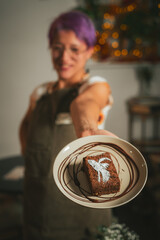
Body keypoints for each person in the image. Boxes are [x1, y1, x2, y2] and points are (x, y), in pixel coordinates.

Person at [19, 10, 116, 240]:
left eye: (74, 49)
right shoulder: (40, 93)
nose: (64, 57)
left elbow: (85, 104)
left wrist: (88, 131)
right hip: (39, 205)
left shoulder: (96, 85)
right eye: (57, 48)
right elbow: (26, 129)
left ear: (89, 51)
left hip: (81, 208)